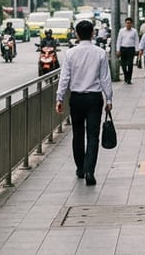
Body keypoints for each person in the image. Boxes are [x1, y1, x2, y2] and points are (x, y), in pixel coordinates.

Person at [55, 20, 113, 186]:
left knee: (78, 134)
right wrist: (109, 99)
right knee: (93, 135)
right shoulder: (100, 53)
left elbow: (64, 77)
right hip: (95, 98)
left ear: (77, 34)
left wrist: (59, 98)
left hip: (77, 98)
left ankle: (80, 168)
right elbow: (105, 78)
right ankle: (90, 171)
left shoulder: (70, 53)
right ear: (93, 33)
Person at [116, 18, 139, 84]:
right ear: (125, 23)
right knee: (123, 64)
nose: (128, 24)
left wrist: (137, 50)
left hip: (131, 49)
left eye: (129, 23)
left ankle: (129, 79)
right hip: (123, 49)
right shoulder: (121, 31)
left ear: (131, 24)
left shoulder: (134, 31)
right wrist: (118, 50)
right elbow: (119, 41)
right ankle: (126, 76)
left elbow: (136, 41)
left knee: (130, 64)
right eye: (127, 23)